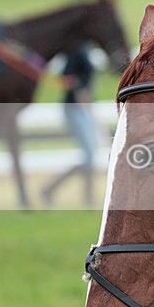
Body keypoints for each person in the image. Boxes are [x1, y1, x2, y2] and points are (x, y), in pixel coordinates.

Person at [42, 45, 99, 207]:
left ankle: (52, 189)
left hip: (83, 107)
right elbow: (67, 78)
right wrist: (80, 92)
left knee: (90, 155)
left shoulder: (86, 49)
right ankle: (87, 199)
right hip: (75, 107)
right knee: (89, 154)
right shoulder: (77, 50)